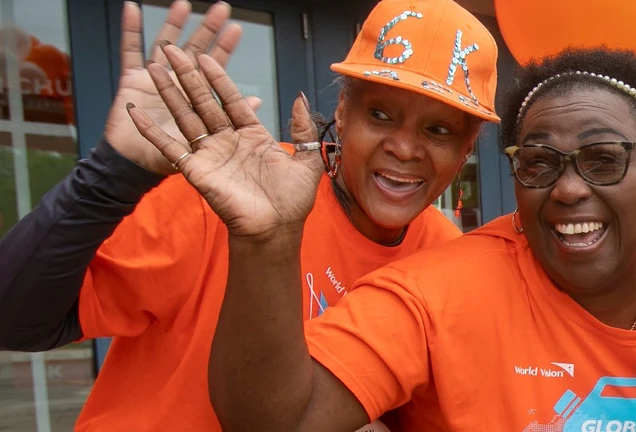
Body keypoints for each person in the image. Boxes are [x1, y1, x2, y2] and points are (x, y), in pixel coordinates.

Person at [127, 44, 636, 432]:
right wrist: (267, 242)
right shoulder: (436, 294)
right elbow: (277, 422)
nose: (568, 189)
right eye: (538, 163)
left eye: (603, 160)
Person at [0, 0, 501, 429]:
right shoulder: (233, 194)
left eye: (439, 131)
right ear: (343, 111)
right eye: (380, 114)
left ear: (465, 150)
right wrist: (113, 173)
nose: (405, 147)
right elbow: (17, 322)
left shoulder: (443, 256)